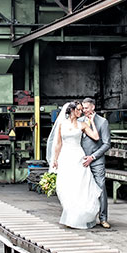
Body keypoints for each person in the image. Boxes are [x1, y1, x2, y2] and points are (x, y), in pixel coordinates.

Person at [46, 101, 103, 229]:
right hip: (66, 157)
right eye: (78, 109)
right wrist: (55, 159)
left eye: (81, 110)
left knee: (80, 186)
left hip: (78, 156)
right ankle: (70, 215)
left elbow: (96, 136)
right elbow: (58, 144)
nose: (80, 112)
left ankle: (79, 217)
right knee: (66, 186)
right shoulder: (62, 124)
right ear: (71, 110)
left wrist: (91, 121)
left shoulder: (82, 124)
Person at [80, 97, 112, 228]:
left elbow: (106, 144)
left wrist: (92, 157)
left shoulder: (102, 122)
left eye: (86, 108)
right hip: (81, 161)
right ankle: (86, 217)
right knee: (84, 189)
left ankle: (103, 218)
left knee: (100, 187)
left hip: (96, 161)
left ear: (93, 107)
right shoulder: (79, 121)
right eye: (83, 108)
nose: (84, 110)